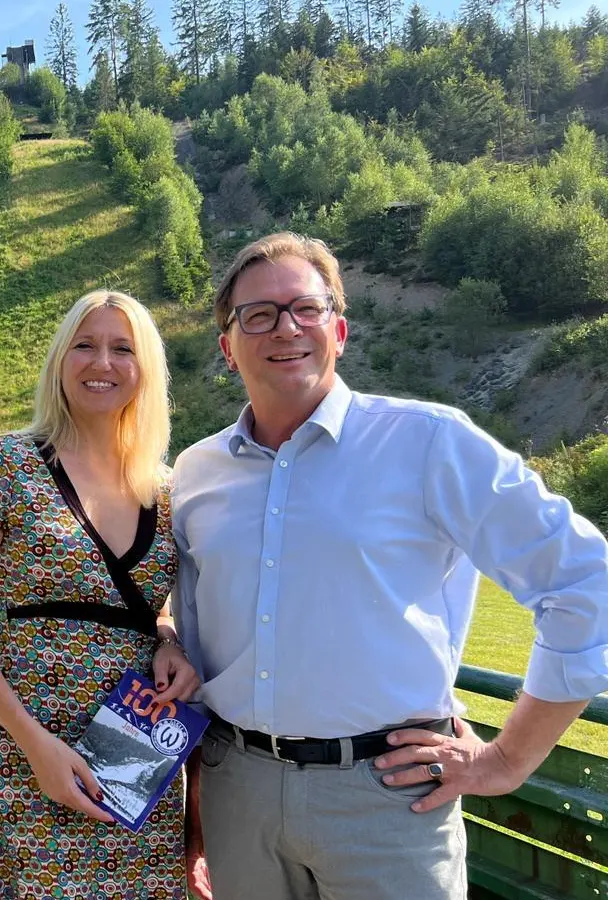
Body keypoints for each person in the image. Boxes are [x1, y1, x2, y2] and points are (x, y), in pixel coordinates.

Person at [172, 232, 608, 900]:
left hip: (387, 798)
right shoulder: (197, 472)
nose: (285, 328)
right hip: (238, 792)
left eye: (306, 309)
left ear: (339, 331)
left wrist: (507, 758)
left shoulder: (429, 442)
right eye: (257, 314)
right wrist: (198, 799)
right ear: (228, 348)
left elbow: (584, 579)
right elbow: (193, 624)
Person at [0, 289, 200, 899]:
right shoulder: (4, 466)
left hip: (138, 762)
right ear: (60, 359)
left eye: (122, 349)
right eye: (85, 345)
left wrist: (168, 642)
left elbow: (152, 606)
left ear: (146, 369)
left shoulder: (167, 491)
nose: (102, 362)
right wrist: (34, 745)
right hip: (32, 754)